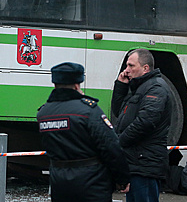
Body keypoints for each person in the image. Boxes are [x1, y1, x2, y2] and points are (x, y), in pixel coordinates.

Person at [37, 62, 130, 202]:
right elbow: (111, 146)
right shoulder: (88, 111)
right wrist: (122, 178)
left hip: (59, 182)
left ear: (55, 83)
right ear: (77, 84)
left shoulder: (44, 113)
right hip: (92, 183)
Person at [111, 48, 171, 202]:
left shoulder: (156, 88)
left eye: (131, 66)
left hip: (145, 165)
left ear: (145, 68)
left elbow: (145, 122)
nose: (127, 70)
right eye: (126, 66)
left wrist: (118, 143)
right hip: (136, 162)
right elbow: (120, 113)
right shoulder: (138, 86)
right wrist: (121, 86)